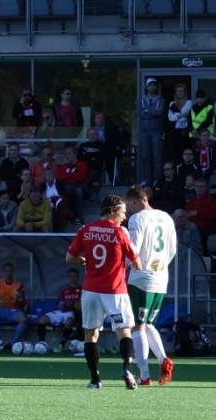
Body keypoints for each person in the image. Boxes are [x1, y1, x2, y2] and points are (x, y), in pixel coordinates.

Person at [66, 195, 142, 389]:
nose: (124, 217)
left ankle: (95, 379)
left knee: (90, 334)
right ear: (113, 210)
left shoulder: (85, 229)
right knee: (124, 331)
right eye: (123, 212)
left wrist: (83, 261)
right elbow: (137, 263)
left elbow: (70, 258)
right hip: (115, 290)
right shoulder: (119, 232)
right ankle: (126, 369)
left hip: (91, 290)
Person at [124, 186, 178, 386]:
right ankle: (163, 359)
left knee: (137, 326)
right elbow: (172, 249)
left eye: (129, 205)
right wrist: (160, 266)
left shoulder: (137, 219)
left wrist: (124, 266)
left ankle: (144, 374)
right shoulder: (166, 217)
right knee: (148, 324)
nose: (129, 209)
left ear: (136, 201)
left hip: (141, 277)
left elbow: (134, 248)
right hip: (161, 276)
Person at [37, 267, 83, 352]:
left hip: (72, 313)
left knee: (68, 322)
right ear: (68, 278)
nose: (73, 278)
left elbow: (81, 305)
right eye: (71, 276)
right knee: (42, 319)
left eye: (75, 276)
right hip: (62, 311)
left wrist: (73, 304)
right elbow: (59, 305)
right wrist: (61, 304)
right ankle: (41, 344)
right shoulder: (64, 291)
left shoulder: (81, 289)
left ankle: (61, 344)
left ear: (78, 277)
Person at [0, 262, 28, 348]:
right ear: (4, 272)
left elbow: (22, 305)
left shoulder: (18, 285)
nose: (9, 273)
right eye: (7, 271)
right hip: (0, 310)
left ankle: (12, 344)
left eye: (11, 271)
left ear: (13, 272)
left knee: (23, 319)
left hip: (13, 311)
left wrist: (19, 298)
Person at [138, 78, 166, 186]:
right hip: (144, 131)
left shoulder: (161, 100)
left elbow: (159, 112)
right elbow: (139, 113)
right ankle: (146, 179)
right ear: (146, 87)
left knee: (157, 156)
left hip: (156, 131)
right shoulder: (141, 99)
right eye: (150, 85)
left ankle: (157, 180)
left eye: (154, 85)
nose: (152, 87)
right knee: (145, 156)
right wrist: (153, 112)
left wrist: (147, 111)